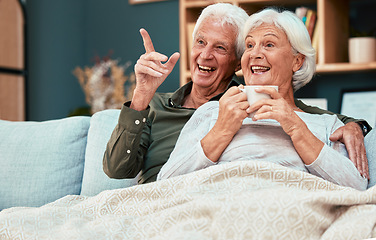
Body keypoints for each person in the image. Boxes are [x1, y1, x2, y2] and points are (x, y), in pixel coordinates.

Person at [103, 3, 371, 184]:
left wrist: (353, 124)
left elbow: (305, 115)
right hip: (166, 201)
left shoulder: (251, 105)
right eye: (200, 42)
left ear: (236, 63)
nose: (205, 54)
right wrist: (141, 95)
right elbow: (120, 170)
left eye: (220, 48)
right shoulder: (200, 109)